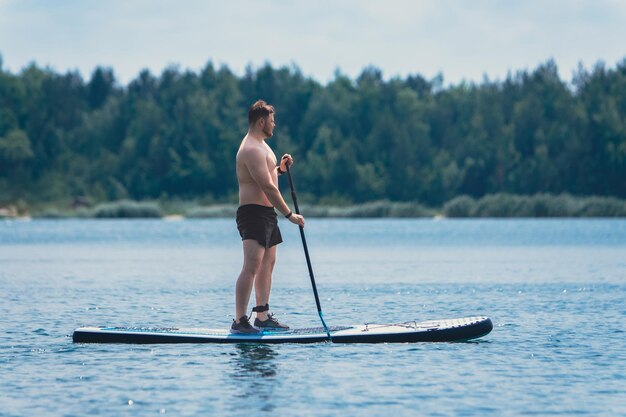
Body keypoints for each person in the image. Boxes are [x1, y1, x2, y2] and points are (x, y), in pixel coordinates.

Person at [231, 100, 305, 334]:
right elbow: (267, 187)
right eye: (272, 121)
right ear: (261, 121)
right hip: (252, 213)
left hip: (266, 214)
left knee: (267, 265)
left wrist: (280, 169)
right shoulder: (250, 149)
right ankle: (240, 320)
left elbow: (270, 176)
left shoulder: (263, 146)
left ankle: (261, 316)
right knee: (251, 266)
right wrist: (289, 214)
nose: (274, 125)